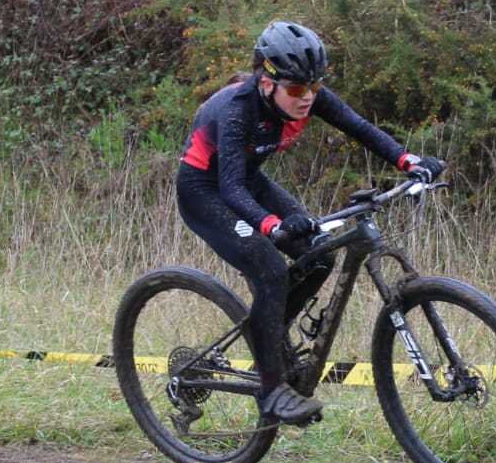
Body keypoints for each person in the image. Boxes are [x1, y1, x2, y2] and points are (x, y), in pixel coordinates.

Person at [179, 21, 443, 425]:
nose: (308, 98)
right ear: (267, 83)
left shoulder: (307, 95)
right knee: (269, 269)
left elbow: (361, 128)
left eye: (315, 88)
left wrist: (410, 162)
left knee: (319, 256)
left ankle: (267, 338)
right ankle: (270, 391)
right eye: (298, 90)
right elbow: (230, 189)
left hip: (249, 182)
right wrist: (271, 226)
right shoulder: (237, 110)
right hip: (206, 192)